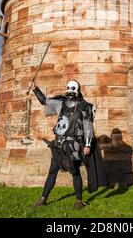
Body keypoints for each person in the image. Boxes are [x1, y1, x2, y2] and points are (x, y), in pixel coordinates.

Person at [32, 79, 107, 209]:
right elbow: (45, 101)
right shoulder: (61, 104)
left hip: (73, 145)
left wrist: (88, 144)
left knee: (75, 172)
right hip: (58, 144)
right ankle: (43, 199)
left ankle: (79, 201)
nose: (70, 91)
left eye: (73, 88)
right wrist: (35, 89)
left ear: (78, 90)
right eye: (69, 88)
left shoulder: (85, 106)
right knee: (52, 171)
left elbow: (88, 127)